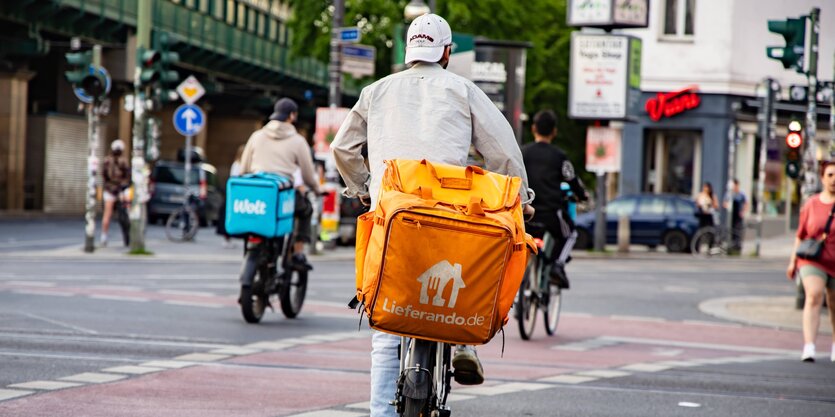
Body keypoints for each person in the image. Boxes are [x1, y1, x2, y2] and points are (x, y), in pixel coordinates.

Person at [330, 13, 533, 417]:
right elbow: (503, 151)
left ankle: (380, 412)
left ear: (409, 50)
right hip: (449, 215)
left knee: (386, 326)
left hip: (393, 216)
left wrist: (364, 189)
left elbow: (342, 148)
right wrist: (521, 197)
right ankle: (460, 342)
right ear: (447, 52)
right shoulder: (463, 90)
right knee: (458, 289)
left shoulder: (376, 91)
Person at [240, 97, 322, 269]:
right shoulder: (298, 141)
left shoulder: (256, 136)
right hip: (283, 194)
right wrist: (316, 188)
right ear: (292, 116)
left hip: (259, 195)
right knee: (305, 210)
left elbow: (244, 169)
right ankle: (298, 252)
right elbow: (307, 174)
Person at [521, 109, 588, 288]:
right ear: (554, 132)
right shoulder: (560, 157)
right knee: (570, 233)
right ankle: (557, 266)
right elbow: (572, 179)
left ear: (534, 128)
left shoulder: (522, 153)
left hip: (525, 214)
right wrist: (582, 195)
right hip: (551, 215)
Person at [787, 161, 835, 362]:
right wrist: (792, 261)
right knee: (814, 296)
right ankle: (809, 346)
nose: (834, 179)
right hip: (812, 260)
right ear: (822, 178)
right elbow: (800, 235)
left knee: (834, 304)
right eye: (830, 175)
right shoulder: (812, 204)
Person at [100, 139, 131, 247]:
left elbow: (103, 175)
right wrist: (123, 186)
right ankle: (127, 237)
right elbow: (127, 176)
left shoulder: (107, 160)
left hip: (109, 190)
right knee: (126, 212)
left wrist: (108, 185)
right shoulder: (123, 161)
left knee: (107, 214)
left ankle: (104, 236)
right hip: (121, 191)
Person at [217, 145, 245, 248]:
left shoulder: (240, 164)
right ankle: (227, 237)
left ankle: (230, 237)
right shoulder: (237, 165)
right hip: (235, 194)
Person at [724, 178, 747, 253]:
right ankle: (732, 247)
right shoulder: (730, 193)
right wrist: (728, 206)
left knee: (738, 231)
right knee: (731, 230)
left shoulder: (741, 193)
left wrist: (743, 211)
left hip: (739, 215)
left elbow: (746, 203)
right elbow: (725, 203)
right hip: (731, 216)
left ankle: (738, 247)